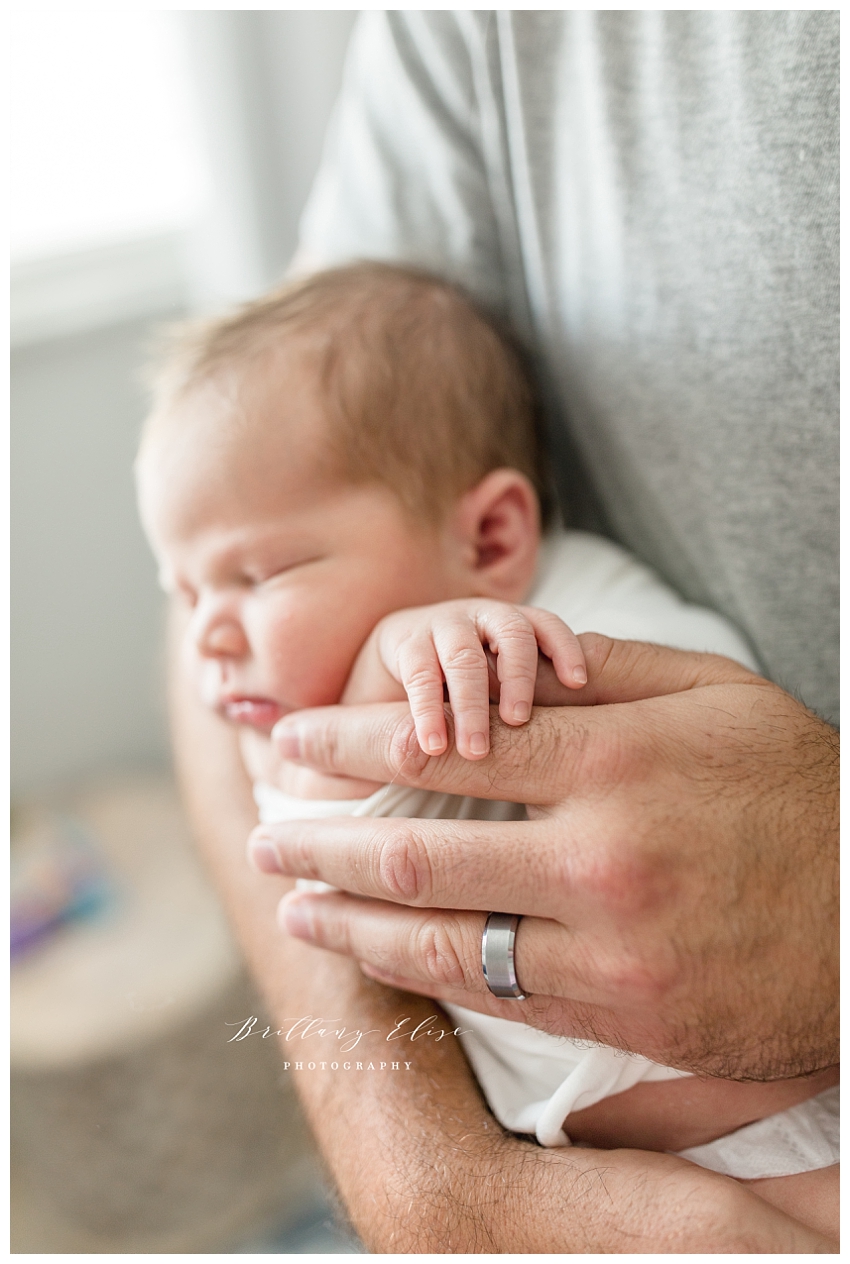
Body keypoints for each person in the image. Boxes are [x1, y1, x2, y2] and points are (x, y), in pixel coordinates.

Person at [166, 11, 838, 1252]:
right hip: (646, 1169)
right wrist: (434, 1196)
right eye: (181, 590)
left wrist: (415, 654)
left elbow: (442, 669)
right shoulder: (463, 34)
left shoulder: (461, 629)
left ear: (486, 542)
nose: (205, 635)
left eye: (258, 575)